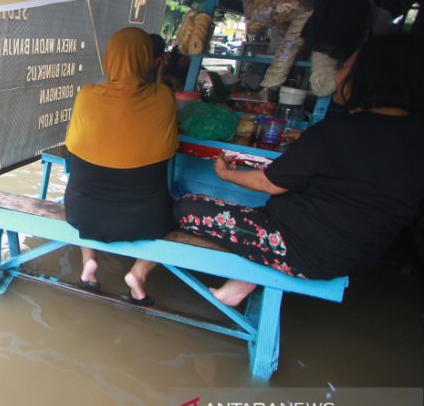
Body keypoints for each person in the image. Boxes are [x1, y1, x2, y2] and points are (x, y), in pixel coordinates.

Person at [173, 33, 424, 307]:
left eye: (346, 68)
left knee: (186, 207)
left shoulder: (340, 131)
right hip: (358, 255)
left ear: (371, 76)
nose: (338, 77)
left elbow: (269, 182)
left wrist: (225, 174)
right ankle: (242, 283)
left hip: (300, 247)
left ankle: (250, 275)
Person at [64, 27, 178, 306]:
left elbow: (72, 145)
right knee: (174, 215)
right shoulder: (163, 97)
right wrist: (159, 79)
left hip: (82, 212)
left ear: (109, 58)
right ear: (148, 60)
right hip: (145, 218)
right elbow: (171, 143)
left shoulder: (87, 96)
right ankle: (137, 273)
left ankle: (89, 262)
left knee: (83, 191)